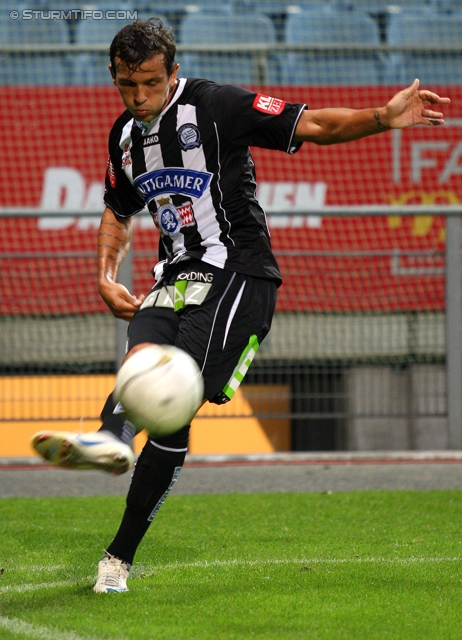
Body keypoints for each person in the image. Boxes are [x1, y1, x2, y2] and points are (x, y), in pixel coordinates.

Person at [31, 18, 450, 593]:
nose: (140, 97)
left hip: (239, 273)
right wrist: (105, 274)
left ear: (172, 72)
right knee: (150, 374)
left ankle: (116, 466)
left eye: (151, 83)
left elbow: (315, 123)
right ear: (114, 77)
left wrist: (383, 117)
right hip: (173, 276)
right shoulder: (125, 136)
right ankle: (114, 495)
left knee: (173, 396)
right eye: (128, 86)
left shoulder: (217, 105)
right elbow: (116, 207)